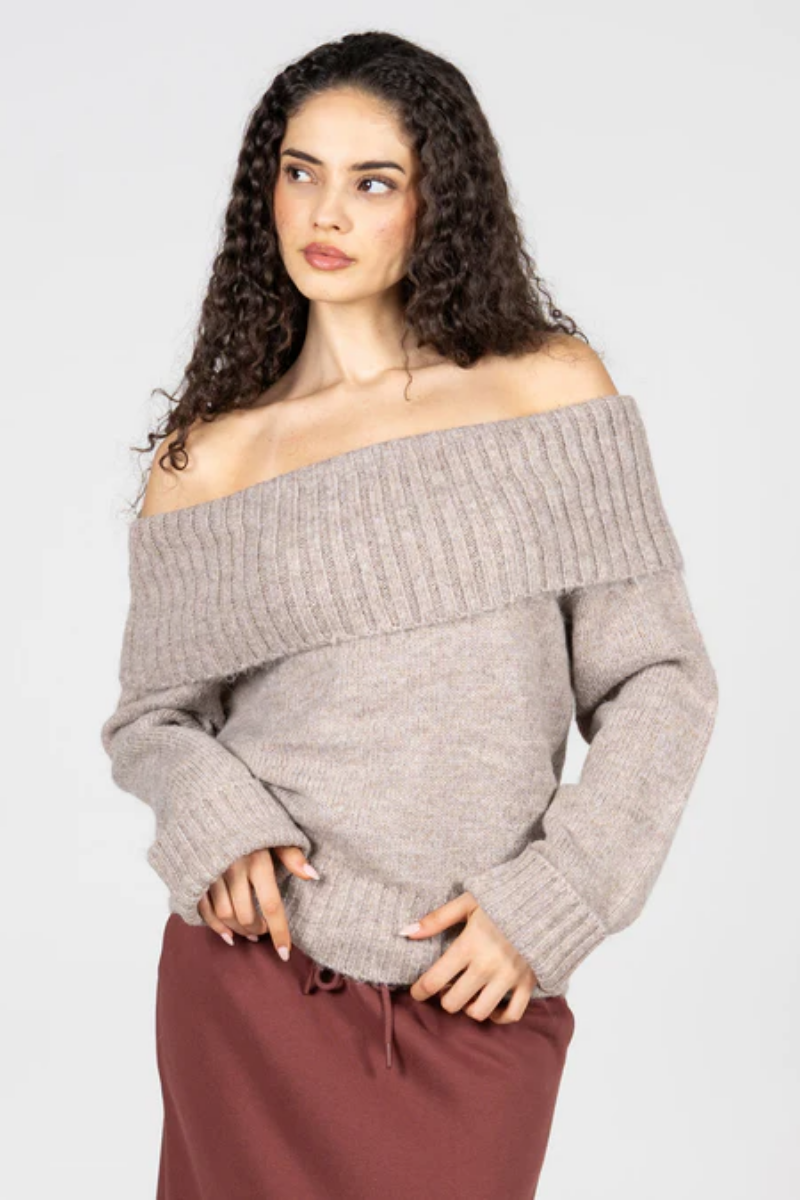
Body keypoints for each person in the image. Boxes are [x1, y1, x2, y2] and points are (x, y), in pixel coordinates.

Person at [100, 30, 719, 1200]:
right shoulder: (208, 462)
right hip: (256, 980)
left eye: (373, 181)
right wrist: (216, 821)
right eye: (299, 171)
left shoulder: (544, 391)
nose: (325, 211)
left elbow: (659, 681)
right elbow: (152, 721)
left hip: (474, 984)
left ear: (439, 202)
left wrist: (557, 900)